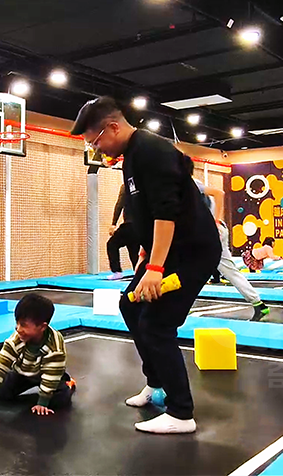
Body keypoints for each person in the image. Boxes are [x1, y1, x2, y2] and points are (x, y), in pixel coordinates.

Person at [71, 96, 221, 434]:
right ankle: (157, 383)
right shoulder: (131, 157)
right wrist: (145, 255)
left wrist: (155, 269)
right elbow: (144, 211)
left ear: (112, 127)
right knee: (130, 305)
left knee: (156, 325)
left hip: (192, 253)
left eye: (96, 142)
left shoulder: (152, 151)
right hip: (163, 251)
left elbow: (166, 212)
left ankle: (181, 413)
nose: (97, 149)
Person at [183, 157, 270, 321]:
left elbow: (219, 193)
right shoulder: (189, 185)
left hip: (210, 232)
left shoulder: (189, 184)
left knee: (186, 267)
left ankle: (180, 306)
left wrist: (214, 222)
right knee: (228, 270)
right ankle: (258, 304)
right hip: (213, 231)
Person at [0, 294, 75, 417]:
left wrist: (42, 403)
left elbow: (50, 377)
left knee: (60, 400)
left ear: (42, 327)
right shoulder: (16, 340)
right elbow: (0, 366)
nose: (18, 328)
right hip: (23, 372)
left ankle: (66, 381)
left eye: (23, 325)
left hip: (47, 372)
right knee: (0, 394)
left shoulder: (54, 348)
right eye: (17, 323)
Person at [107, 184, 140, 281]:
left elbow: (119, 205)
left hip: (129, 224)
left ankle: (117, 271)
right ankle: (138, 272)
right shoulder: (142, 186)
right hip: (139, 226)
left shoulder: (126, 186)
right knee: (133, 250)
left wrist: (113, 223)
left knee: (111, 244)